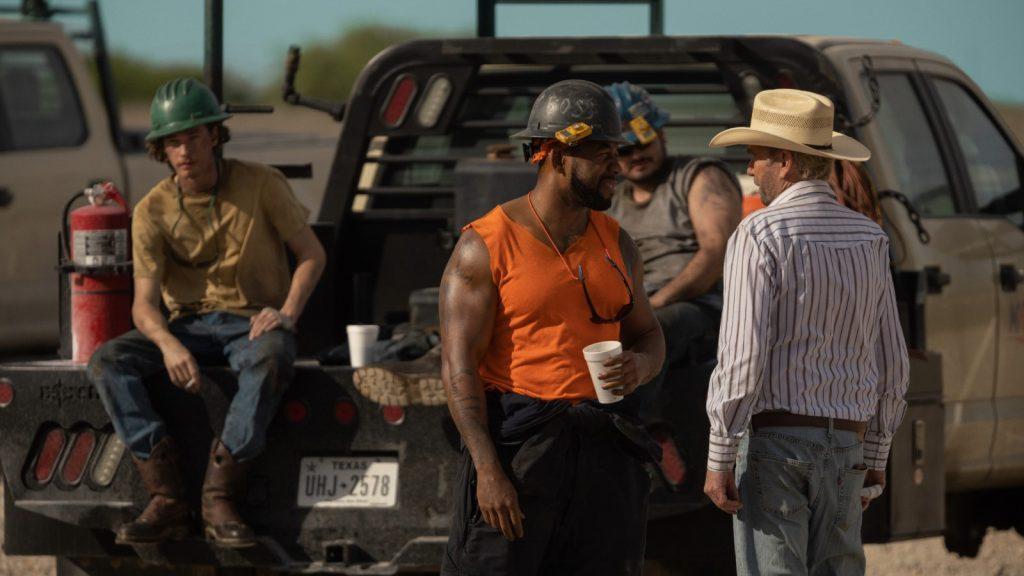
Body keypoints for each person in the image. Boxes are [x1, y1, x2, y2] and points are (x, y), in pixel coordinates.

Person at [439, 79, 666, 576]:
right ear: (558, 154)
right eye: (602, 153)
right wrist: (487, 470)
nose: (617, 166)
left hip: (605, 453)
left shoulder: (617, 242)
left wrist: (641, 366)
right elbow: (459, 372)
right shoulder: (484, 245)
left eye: (617, 152)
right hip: (521, 454)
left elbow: (649, 334)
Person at [87, 78, 326, 547]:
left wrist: (287, 313)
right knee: (107, 361)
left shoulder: (262, 184)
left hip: (251, 321)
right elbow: (143, 303)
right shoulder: (152, 210)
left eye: (194, 137)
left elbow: (312, 254)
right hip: (187, 326)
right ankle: (168, 497)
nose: (184, 151)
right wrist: (168, 343)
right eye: (172, 141)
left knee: (272, 353)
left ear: (214, 136)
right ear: (161, 150)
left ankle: (219, 497)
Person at [703, 88, 910, 575]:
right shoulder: (870, 237)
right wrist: (877, 452)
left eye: (756, 157)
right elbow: (893, 362)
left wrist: (720, 456)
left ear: (785, 162)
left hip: (777, 444)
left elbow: (742, 361)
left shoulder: (760, 234)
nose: (751, 170)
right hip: (847, 447)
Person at [603, 82, 742, 405]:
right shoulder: (612, 198)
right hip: (640, 306)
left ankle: (646, 430)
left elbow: (716, 253)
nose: (636, 154)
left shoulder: (699, 176)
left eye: (645, 141)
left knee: (655, 331)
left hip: (701, 308)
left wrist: (655, 305)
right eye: (625, 149)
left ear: (662, 134)